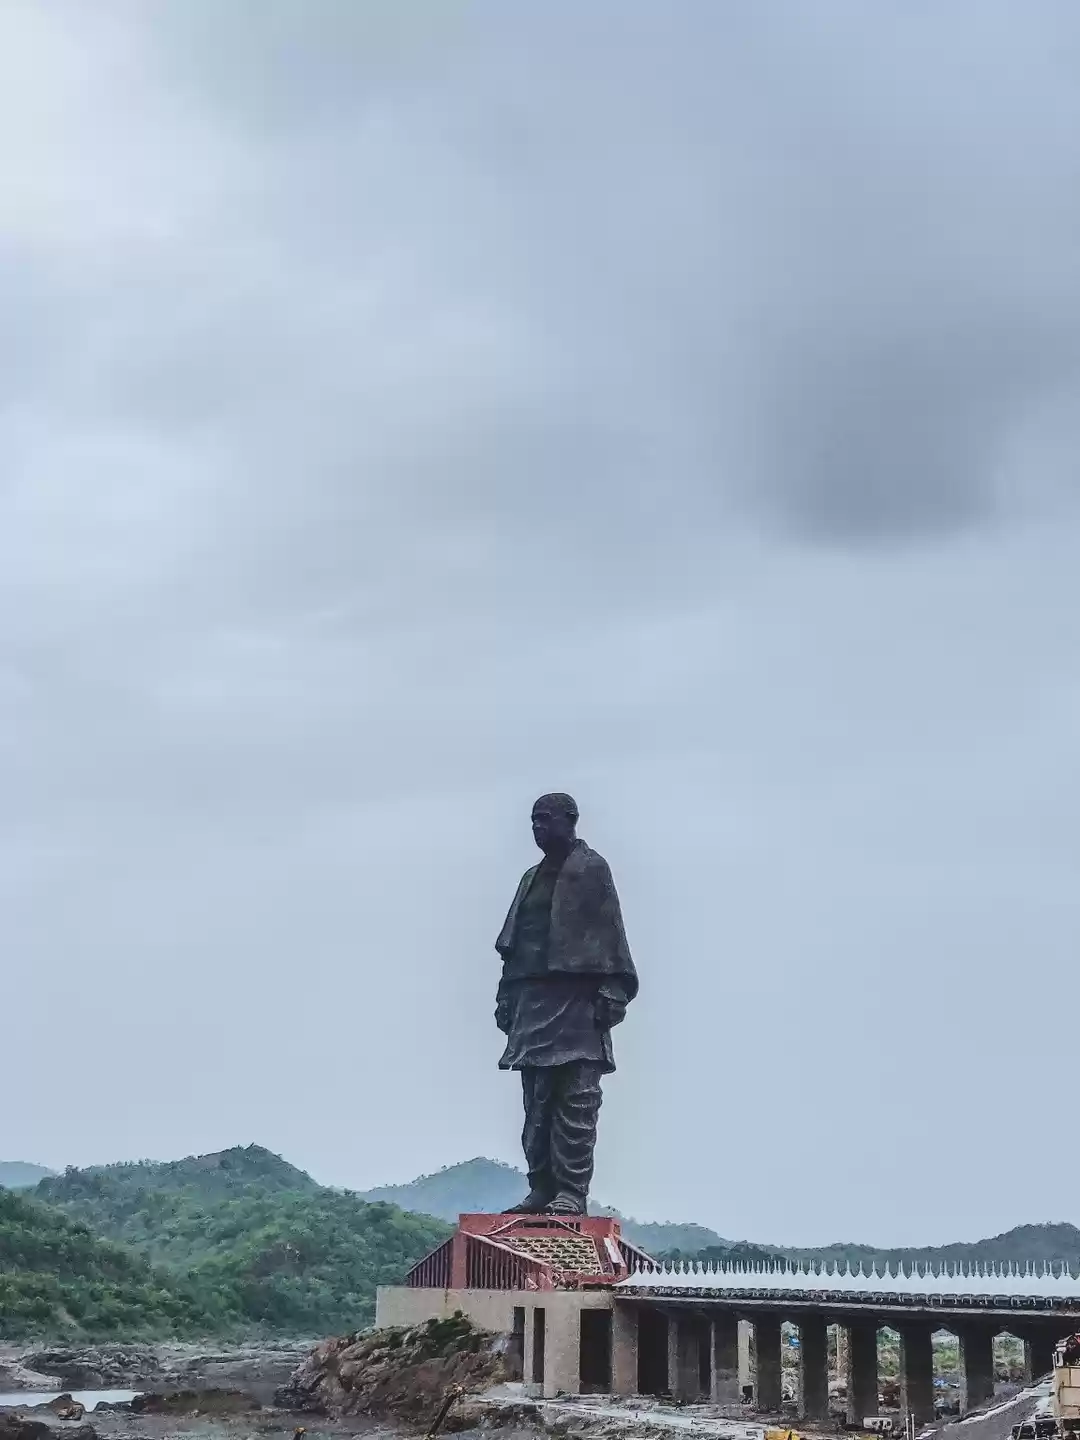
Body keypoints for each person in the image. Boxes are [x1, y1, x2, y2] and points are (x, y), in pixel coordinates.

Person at [494, 793, 638, 1215]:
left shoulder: (592, 870)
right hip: (532, 1001)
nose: (537, 828)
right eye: (533, 821)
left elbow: (612, 937)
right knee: (536, 1103)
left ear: (570, 821)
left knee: (576, 1100)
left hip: (577, 1002)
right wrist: (505, 996)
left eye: (545, 820)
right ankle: (541, 1186)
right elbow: (515, 945)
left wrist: (613, 991)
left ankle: (571, 1192)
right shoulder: (530, 877)